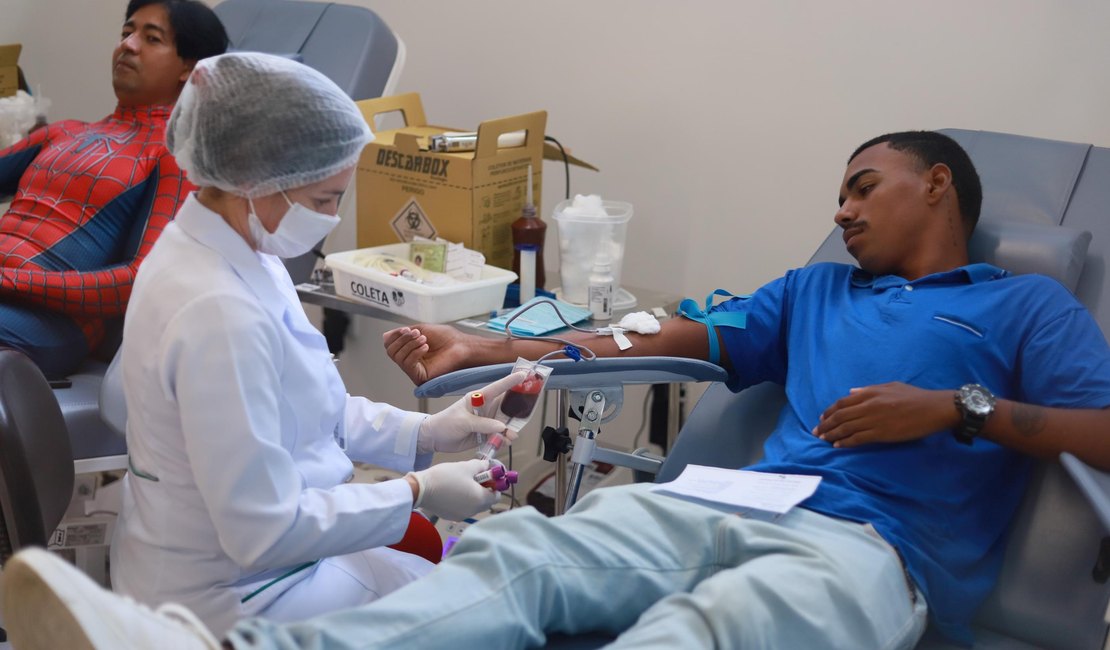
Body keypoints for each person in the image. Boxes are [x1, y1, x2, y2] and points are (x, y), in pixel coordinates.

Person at [6, 130, 1110, 650]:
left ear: (941, 185)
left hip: (874, 549)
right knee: (522, 553)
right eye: (839, 193)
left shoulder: (1024, 311)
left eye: (866, 186)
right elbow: (651, 331)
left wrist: (960, 410)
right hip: (724, 499)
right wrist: (477, 347)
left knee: (718, 626)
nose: (847, 207)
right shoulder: (817, 290)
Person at [46, 51, 520, 637]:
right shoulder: (216, 308)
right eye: (324, 200)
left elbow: (304, 403)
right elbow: (260, 529)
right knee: (483, 619)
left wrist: (424, 433)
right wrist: (419, 490)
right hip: (235, 599)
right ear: (251, 178)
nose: (330, 217)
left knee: (458, 591)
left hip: (263, 562)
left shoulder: (235, 247)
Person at [0, 0, 227, 378]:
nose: (129, 45)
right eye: (126, 33)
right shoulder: (66, 131)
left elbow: (143, 277)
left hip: (56, 323)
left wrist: (10, 280)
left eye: (151, 38)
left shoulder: (173, 157)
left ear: (188, 67)